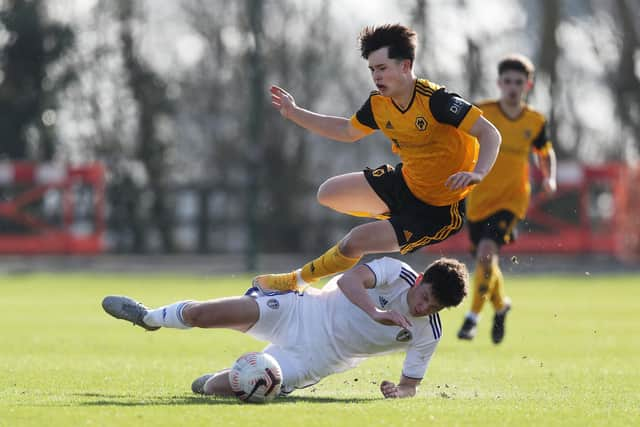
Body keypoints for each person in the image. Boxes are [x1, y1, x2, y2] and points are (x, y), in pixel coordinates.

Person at [254, 24, 501, 292]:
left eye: (382, 68)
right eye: (372, 69)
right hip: (405, 183)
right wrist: (294, 112)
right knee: (328, 193)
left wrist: (478, 172)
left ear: (405, 66)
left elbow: (490, 134)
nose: (376, 76)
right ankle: (393, 219)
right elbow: (347, 130)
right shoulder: (378, 105)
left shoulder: (436, 101)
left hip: (438, 210)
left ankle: (295, 281)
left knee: (354, 242)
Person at [102, 256, 468, 399]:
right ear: (420, 279)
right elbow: (349, 281)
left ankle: (224, 376)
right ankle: (149, 318)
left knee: (221, 389)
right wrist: (375, 311)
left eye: (433, 307)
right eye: (424, 297)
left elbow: (410, 387)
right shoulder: (397, 272)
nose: (423, 308)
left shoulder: (427, 333)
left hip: (316, 359)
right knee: (205, 315)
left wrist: (397, 391)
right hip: (302, 309)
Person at [457, 54, 557, 344]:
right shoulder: (482, 112)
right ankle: (501, 306)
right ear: (499, 83)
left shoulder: (535, 121)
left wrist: (549, 177)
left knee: (487, 253)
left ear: (528, 85)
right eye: (508, 81)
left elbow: (545, 151)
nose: (513, 87)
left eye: (519, 82)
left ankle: (471, 318)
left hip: (512, 200)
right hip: (478, 199)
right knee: (487, 261)